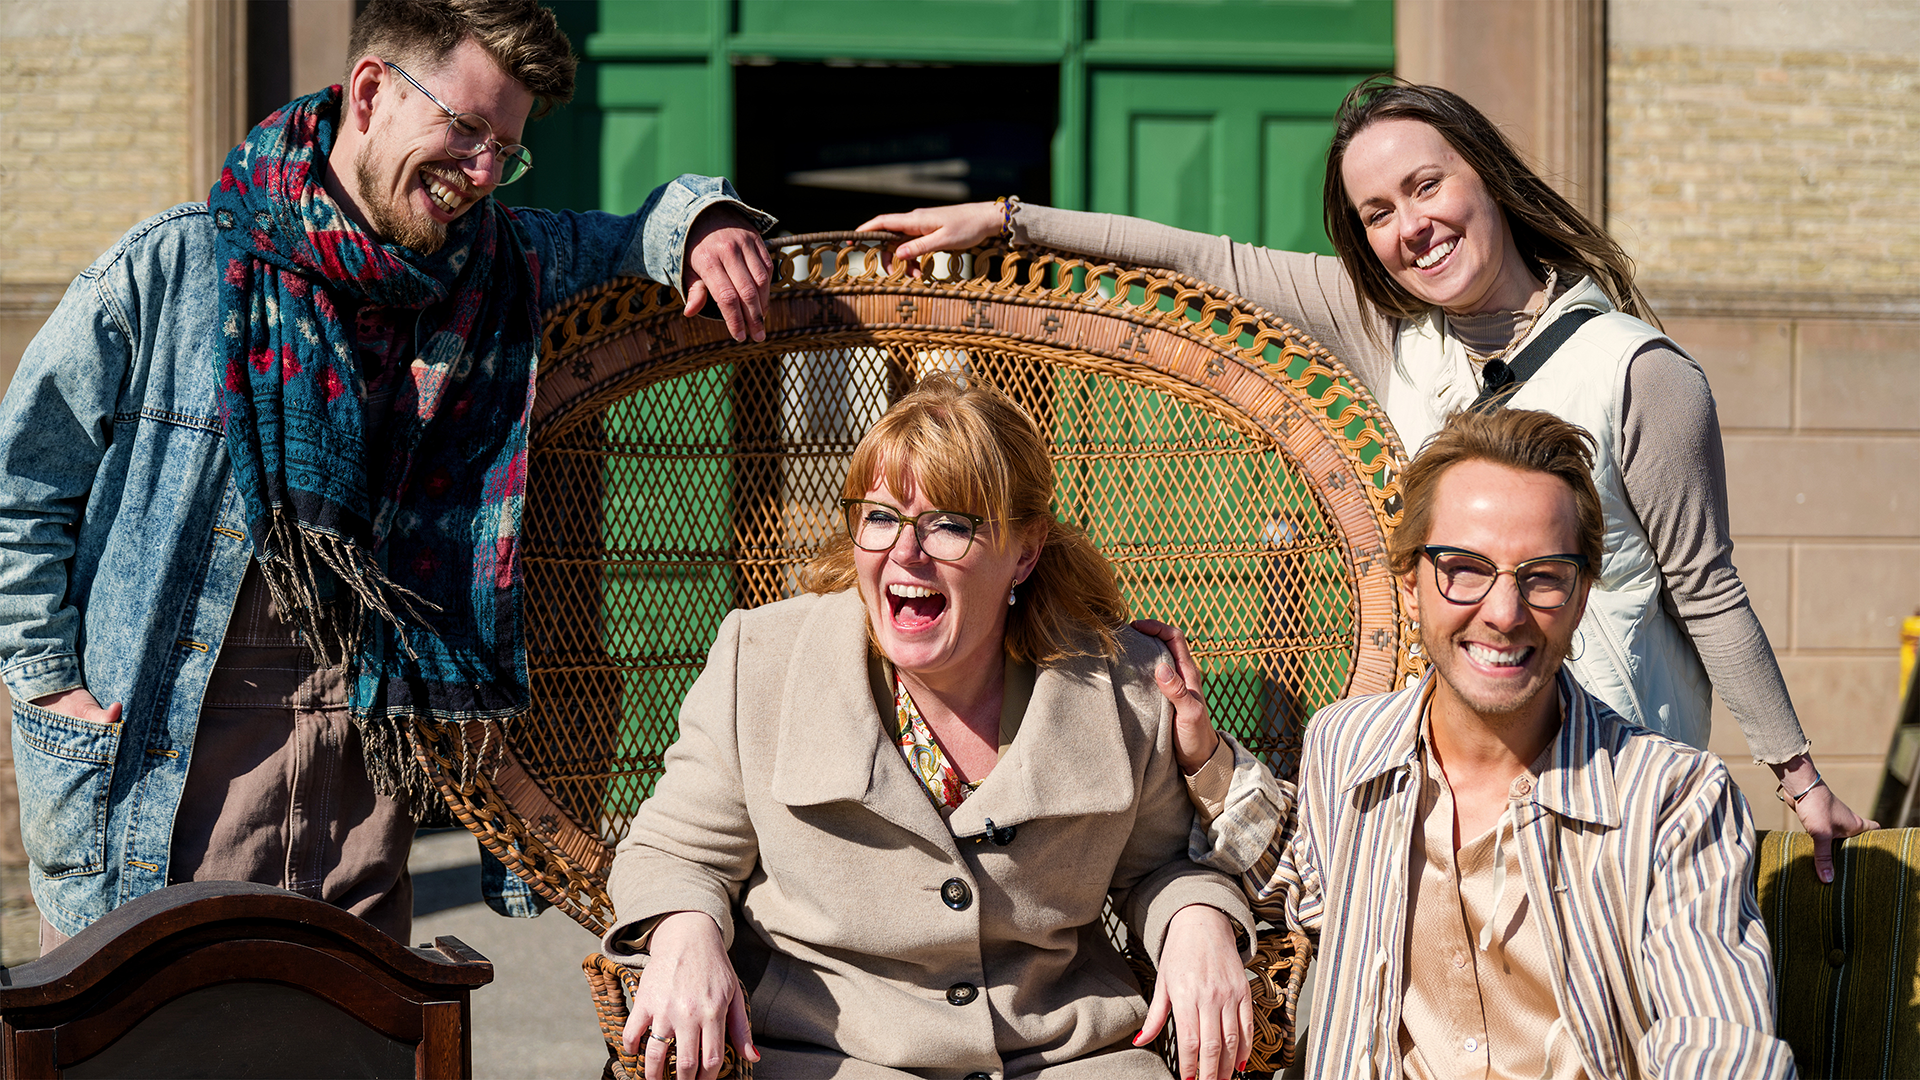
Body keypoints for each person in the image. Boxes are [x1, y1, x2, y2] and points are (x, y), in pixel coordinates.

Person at [859, 77, 1873, 879]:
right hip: (1455, 787)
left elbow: (1708, 589)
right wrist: (1010, 222)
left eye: (1427, 187)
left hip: (1611, 793)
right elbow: (1203, 262)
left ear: (1487, 178)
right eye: (1378, 211)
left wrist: (1798, 780)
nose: (1410, 226)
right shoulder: (1390, 331)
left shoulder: (1638, 373)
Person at [0, 0, 777, 949]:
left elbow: (638, 235)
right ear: (371, 91)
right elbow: (20, 493)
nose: (481, 173)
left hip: (359, 830)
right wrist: (45, 682)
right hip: (149, 821)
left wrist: (705, 221)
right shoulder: (174, 270)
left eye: (505, 150)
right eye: (466, 129)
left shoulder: (503, 271)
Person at [602, 374, 1255, 1080]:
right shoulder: (760, 662)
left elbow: (1162, 865)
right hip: (828, 1061)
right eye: (881, 517)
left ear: (1026, 551)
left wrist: (1197, 919)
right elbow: (674, 853)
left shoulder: (1123, 683)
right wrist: (685, 934)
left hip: (1069, 1059)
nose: (906, 552)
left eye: (949, 525)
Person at [1153, 407, 1794, 1078]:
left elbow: (1719, 1043)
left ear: (1580, 598)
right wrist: (1200, 803)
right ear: (1411, 587)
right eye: (1465, 568)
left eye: (1543, 576)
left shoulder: (1674, 801)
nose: (1505, 613)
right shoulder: (1345, 747)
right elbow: (1299, 871)